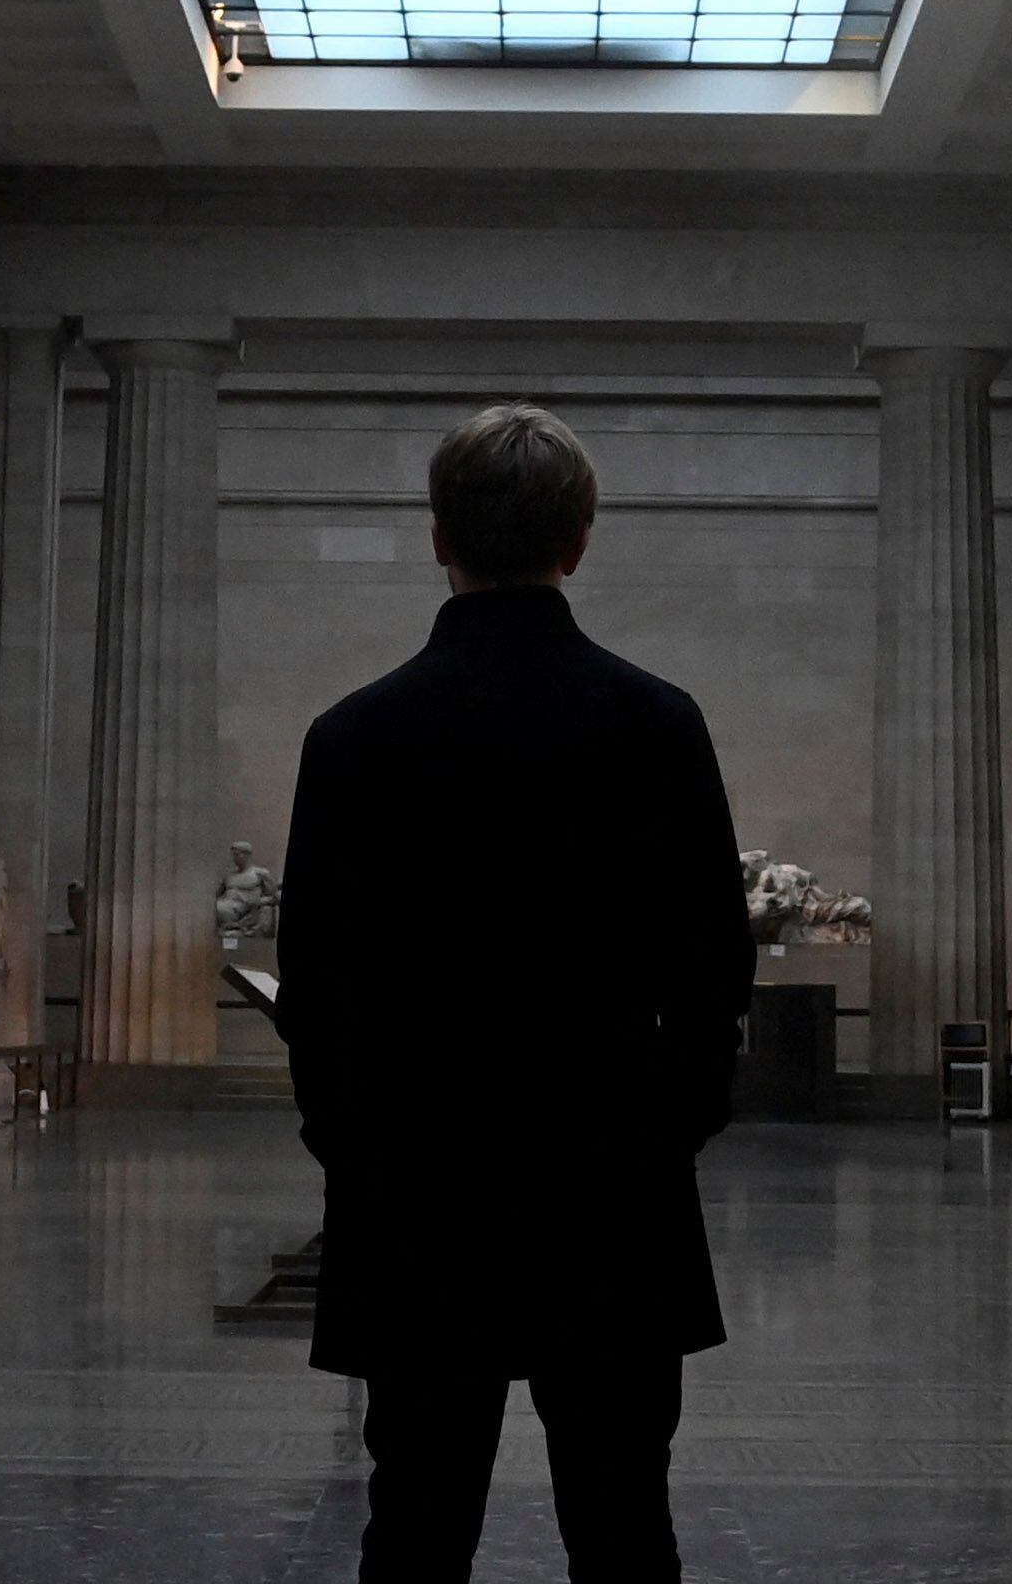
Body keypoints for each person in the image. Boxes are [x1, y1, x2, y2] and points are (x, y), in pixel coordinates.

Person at [279, 402, 755, 1583]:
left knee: (417, 1527)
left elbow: (319, 987)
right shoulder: (655, 724)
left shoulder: (354, 738)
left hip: (418, 1184)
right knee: (624, 1525)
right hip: (610, 1182)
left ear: (437, 535)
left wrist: (356, 1150)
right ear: (579, 539)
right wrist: (663, 1132)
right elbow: (712, 972)